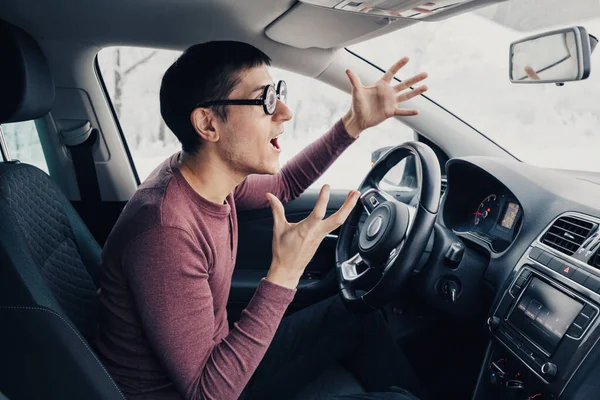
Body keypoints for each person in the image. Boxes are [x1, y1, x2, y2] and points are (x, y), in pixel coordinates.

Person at [94, 41, 428, 400]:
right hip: (204, 389)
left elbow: (284, 184)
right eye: (265, 100)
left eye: (278, 93)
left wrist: (352, 124)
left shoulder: (207, 175)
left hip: (222, 361)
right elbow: (209, 394)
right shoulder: (164, 231)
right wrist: (284, 272)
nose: (284, 112)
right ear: (208, 123)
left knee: (357, 313)